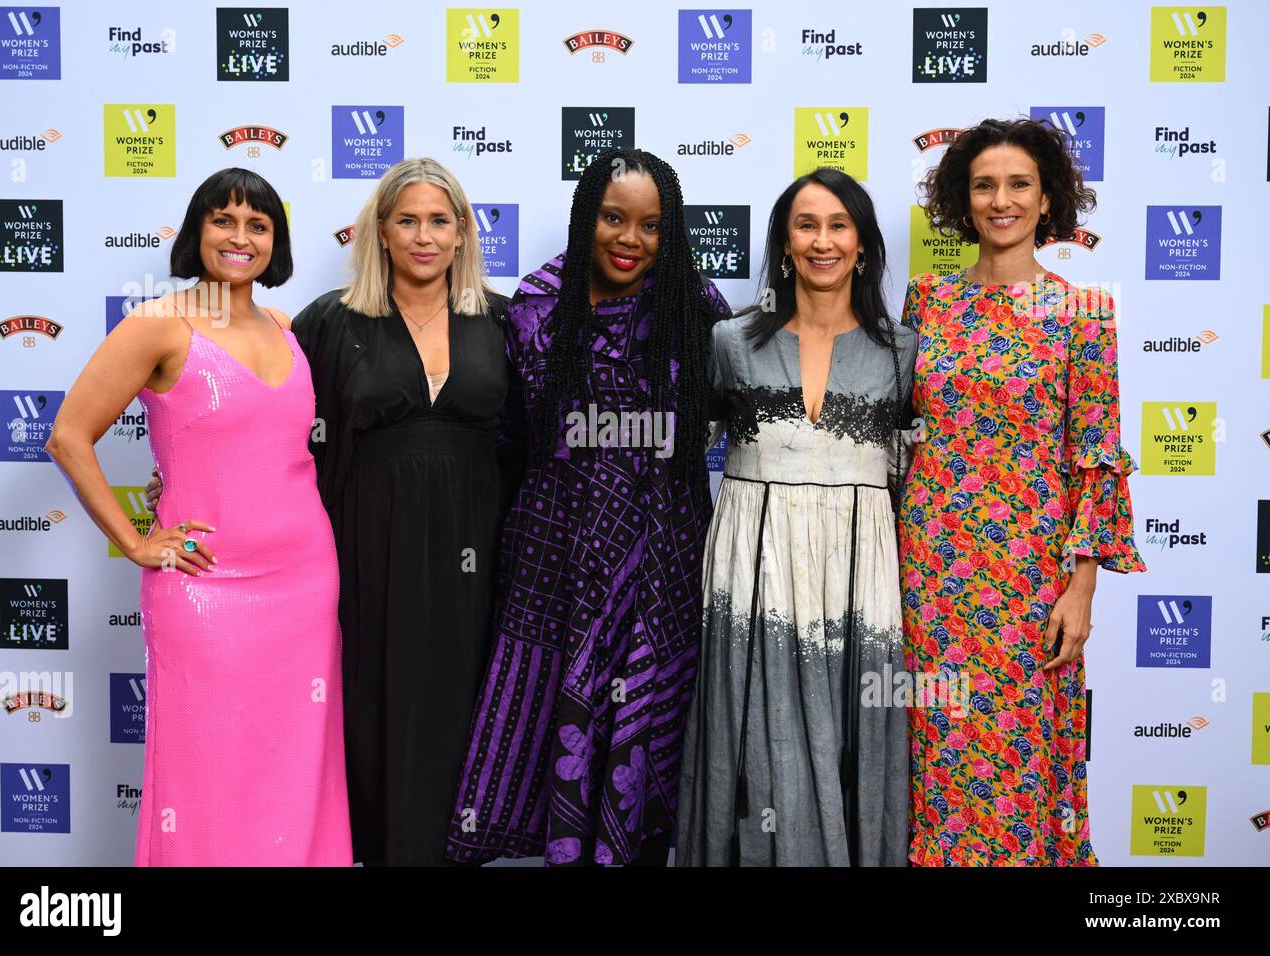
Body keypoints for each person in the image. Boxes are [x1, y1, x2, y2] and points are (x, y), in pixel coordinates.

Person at [149, 158, 509, 866]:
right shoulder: (326, 322)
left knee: (464, 711)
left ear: (464, 232)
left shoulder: (504, 322)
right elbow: (269, 428)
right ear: (380, 231)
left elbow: (531, 442)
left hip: (476, 550)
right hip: (361, 545)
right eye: (407, 220)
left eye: (441, 220)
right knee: (367, 716)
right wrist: (182, 487)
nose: (424, 236)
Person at [46, 168, 352, 865]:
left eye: (258, 224)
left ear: (276, 241)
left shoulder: (283, 326)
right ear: (196, 231)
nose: (240, 237)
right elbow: (68, 434)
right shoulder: (159, 323)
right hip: (205, 585)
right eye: (224, 219)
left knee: (294, 770)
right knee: (207, 773)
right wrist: (135, 542)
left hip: (304, 584)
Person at [445, 148, 730, 866]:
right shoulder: (536, 309)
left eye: (651, 226)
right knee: (547, 719)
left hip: (660, 555)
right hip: (554, 552)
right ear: (586, 218)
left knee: (642, 735)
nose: (630, 239)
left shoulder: (696, 311)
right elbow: (503, 434)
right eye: (613, 218)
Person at [899, 118, 1145, 866]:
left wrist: (1082, 589)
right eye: (983, 185)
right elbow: (902, 430)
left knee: (1027, 756)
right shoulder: (927, 302)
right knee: (936, 753)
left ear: (1047, 202)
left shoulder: (1084, 311)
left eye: (1018, 185)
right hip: (932, 572)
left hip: (1033, 578)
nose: (1000, 200)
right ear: (961, 199)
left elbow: (1096, 456)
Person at [677, 169, 916, 867]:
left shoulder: (904, 352)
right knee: (754, 734)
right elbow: (681, 447)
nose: (822, 241)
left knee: (856, 726)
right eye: (806, 225)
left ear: (863, 245)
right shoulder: (730, 340)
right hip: (753, 567)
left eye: (839, 225)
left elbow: (919, 470)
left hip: (858, 571)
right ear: (784, 243)